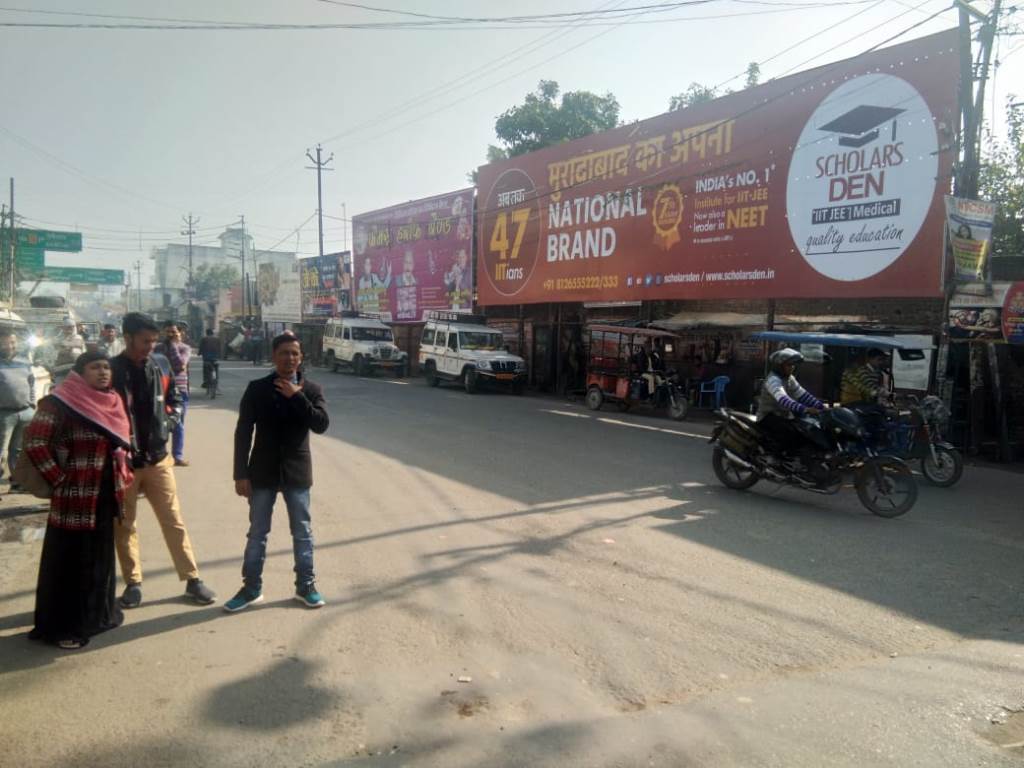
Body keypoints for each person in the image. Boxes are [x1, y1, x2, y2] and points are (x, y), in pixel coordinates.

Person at [25, 351, 132, 649]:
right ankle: (65, 628)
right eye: (95, 367)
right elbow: (35, 442)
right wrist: (59, 480)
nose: (102, 372)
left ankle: (97, 617)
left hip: (106, 496)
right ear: (79, 372)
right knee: (72, 563)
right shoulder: (60, 402)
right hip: (74, 500)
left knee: (98, 559)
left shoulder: (111, 401)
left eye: (106, 367)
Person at [110, 312, 215, 609]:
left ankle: (192, 579)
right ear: (127, 338)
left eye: (154, 341)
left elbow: (177, 397)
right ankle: (133, 584)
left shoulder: (161, 364)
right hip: (125, 464)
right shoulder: (112, 370)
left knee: (173, 521)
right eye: (145, 341)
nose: (150, 346)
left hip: (158, 459)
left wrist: (170, 421)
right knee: (125, 525)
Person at [225, 333, 330, 612]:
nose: (290, 358)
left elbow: (321, 425)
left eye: (295, 353)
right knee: (258, 532)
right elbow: (243, 432)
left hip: (297, 472)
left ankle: (305, 586)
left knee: (302, 532)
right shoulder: (257, 389)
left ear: (301, 357)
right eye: (284, 353)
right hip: (263, 471)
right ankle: (251, 588)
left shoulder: (312, 390)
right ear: (274, 356)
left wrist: (297, 397)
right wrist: (240, 473)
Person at [756, 348, 825, 457]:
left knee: (806, 431)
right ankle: (776, 460)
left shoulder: (789, 379)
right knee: (790, 433)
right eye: (789, 365)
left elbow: (803, 395)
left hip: (783, 416)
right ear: (779, 366)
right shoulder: (773, 380)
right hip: (768, 416)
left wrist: (821, 407)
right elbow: (784, 400)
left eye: (793, 365)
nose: (792, 368)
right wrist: (806, 409)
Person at [0, 331, 36, 493]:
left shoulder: (24, 362)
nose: (10, 346)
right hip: (4, 414)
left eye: (12, 342)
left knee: (18, 451)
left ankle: (17, 483)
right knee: (1, 451)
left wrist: (32, 404)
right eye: (6, 343)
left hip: (25, 412)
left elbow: (31, 382)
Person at [156, 324, 191, 466]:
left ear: (179, 333)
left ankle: (177, 456)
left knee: (179, 424)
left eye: (174, 332)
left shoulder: (184, 348)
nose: (171, 335)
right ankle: (160, 455)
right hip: (161, 388)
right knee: (158, 422)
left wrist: (174, 346)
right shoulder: (158, 349)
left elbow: (181, 364)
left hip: (180, 389)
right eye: (168, 332)